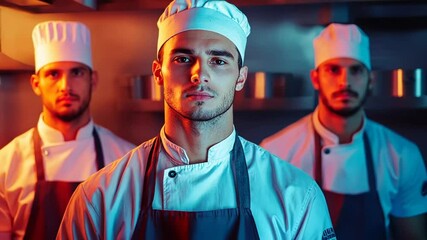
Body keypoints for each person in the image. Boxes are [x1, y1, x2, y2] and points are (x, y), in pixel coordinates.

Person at [57, 1, 336, 239]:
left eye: (218, 61)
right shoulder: (99, 198)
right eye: (182, 58)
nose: (199, 74)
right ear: (158, 73)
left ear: (240, 78)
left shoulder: (297, 197)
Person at [261, 23, 427, 240]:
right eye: (333, 70)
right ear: (315, 79)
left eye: (356, 70)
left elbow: (412, 236)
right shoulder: (276, 154)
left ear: (371, 80)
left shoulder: (402, 155)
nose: (345, 82)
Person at [0, 21, 135, 239]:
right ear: (36, 84)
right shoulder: (6, 165)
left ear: (93, 80)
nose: (65, 86)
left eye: (77, 73)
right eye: (53, 74)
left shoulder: (125, 160)